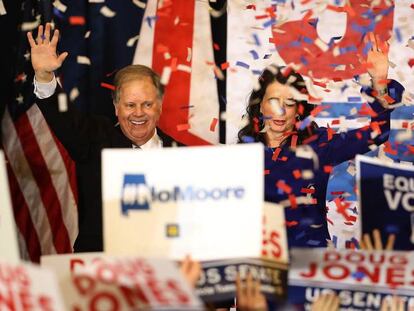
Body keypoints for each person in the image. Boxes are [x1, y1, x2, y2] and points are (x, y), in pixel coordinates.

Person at [27, 23, 184, 252]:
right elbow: (66, 121)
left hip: (164, 264)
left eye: (147, 104)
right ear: (116, 107)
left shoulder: (184, 155)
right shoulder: (95, 138)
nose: (138, 113)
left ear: (159, 106)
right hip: (102, 269)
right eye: (130, 105)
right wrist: (44, 75)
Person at [238, 33, 404, 248]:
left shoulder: (319, 145)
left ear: (299, 110)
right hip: (259, 260)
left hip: (310, 262)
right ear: (260, 106)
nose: (280, 110)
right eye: (272, 101)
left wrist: (379, 81)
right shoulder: (241, 155)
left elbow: (378, 132)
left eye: (289, 102)